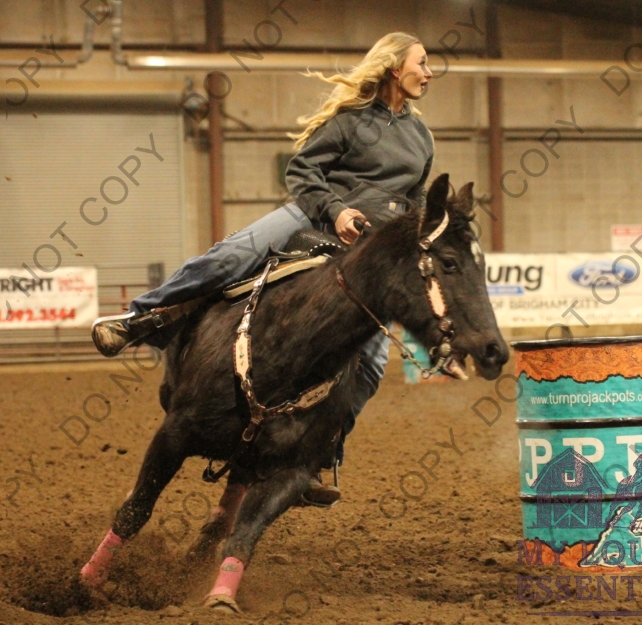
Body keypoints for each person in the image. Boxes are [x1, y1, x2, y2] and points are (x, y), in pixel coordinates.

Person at [91, 31, 435, 505]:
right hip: (314, 216)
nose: (429, 72)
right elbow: (302, 172)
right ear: (395, 67)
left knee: (372, 365)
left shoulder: (421, 137)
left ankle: (318, 456)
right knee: (231, 256)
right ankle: (138, 320)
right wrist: (336, 210)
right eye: (422, 62)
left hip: (369, 255)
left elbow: (416, 204)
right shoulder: (349, 121)